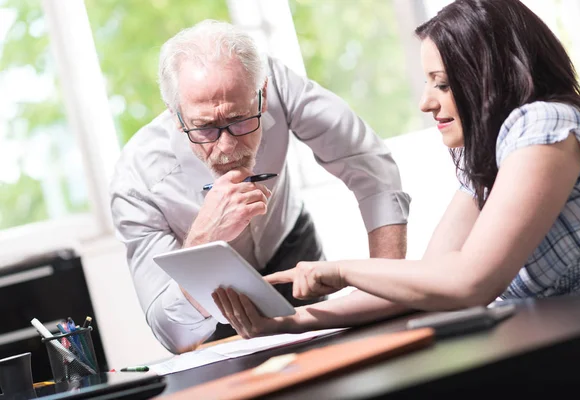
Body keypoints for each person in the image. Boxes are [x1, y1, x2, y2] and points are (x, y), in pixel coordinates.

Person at [213, 0, 580, 339]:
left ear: (492, 78)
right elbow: (432, 278)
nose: (425, 102)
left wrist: (343, 270)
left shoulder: (545, 125)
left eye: (444, 84)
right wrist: (289, 321)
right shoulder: (489, 156)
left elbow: (469, 282)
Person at [109, 20, 410, 353]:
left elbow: (367, 162)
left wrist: (387, 285)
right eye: (205, 128)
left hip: (289, 245)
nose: (226, 147)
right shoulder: (135, 182)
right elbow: (172, 334)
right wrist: (203, 242)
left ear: (263, 95)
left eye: (239, 120)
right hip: (211, 291)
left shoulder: (277, 84)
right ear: (175, 114)